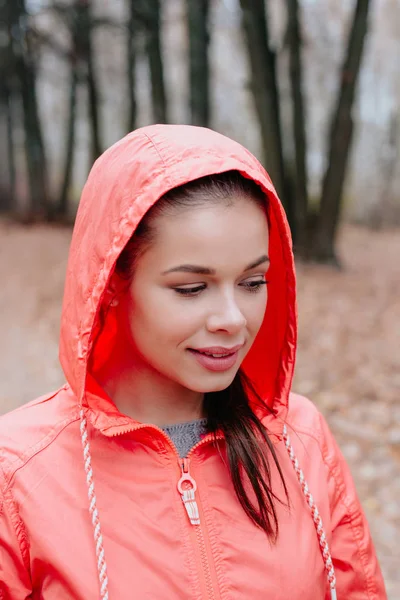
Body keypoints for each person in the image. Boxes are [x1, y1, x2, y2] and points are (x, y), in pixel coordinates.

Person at [0, 124, 386, 600]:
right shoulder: (16, 473)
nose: (232, 319)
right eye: (191, 288)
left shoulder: (302, 442)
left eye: (252, 282)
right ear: (113, 281)